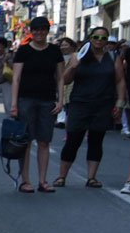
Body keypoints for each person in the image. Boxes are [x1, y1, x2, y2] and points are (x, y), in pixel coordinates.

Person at [51, 27, 125, 189]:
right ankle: (62, 176)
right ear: (90, 38)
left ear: (107, 41)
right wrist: (73, 66)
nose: (99, 40)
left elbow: (120, 81)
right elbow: (65, 80)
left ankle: (91, 177)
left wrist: (120, 102)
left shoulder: (113, 57)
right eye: (96, 36)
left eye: (103, 38)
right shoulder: (78, 56)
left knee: (96, 140)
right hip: (80, 103)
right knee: (73, 140)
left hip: (103, 104)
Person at [9, 16, 65, 194]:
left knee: (44, 141)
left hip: (47, 99)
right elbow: (16, 78)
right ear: (30, 32)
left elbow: (60, 77)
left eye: (42, 30)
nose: (39, 33)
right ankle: (26, 180)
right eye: (35, 30)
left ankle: (42, 180)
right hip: (26, 99)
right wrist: (14, 104)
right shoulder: (24, 51)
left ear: (47, 31)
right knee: (25, 141)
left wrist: (60, 100)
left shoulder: (54, 51)